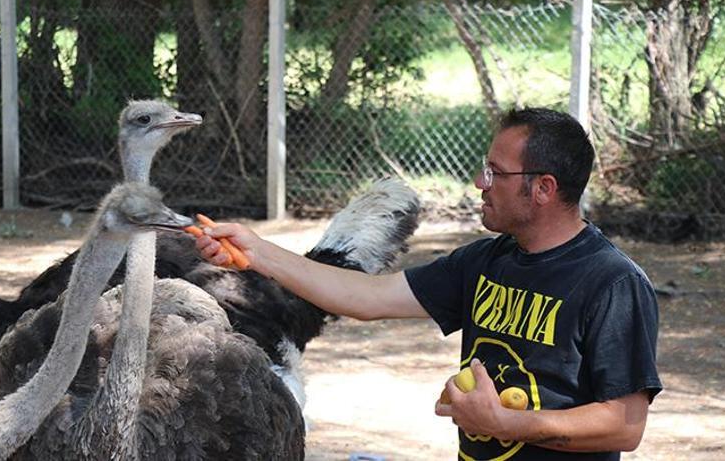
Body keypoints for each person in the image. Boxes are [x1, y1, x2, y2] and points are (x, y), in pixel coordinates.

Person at [195, 107, 662, 460]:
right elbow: (367, 297)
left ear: (543, 188)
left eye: (496, 173)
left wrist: (508, 423)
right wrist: (257, 252)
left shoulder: (612, 283)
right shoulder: (485, 261)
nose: (481, 181)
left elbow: (624, 424)